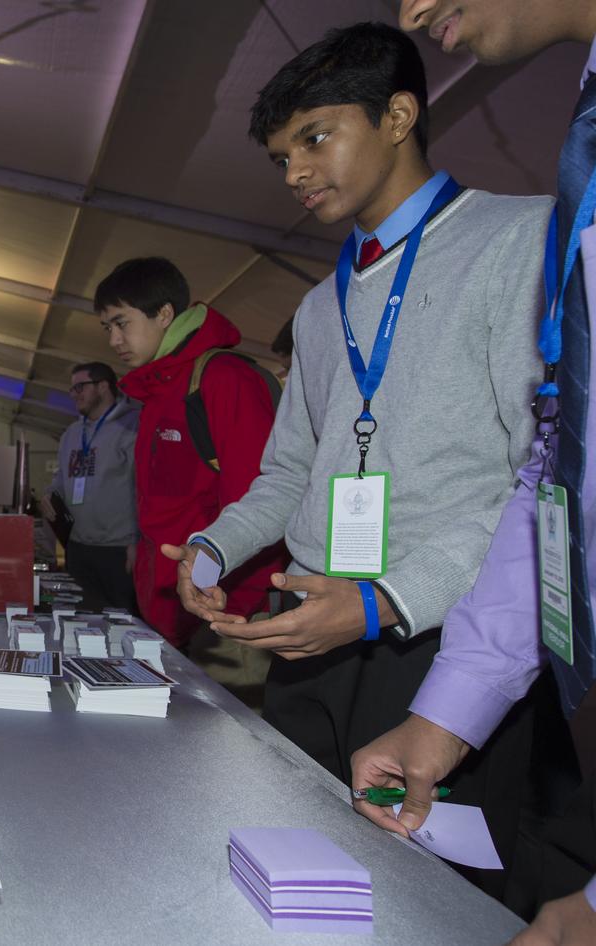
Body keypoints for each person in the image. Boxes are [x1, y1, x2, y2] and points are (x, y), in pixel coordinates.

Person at [166, 21, 561, 898]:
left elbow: (532, 479)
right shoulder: (317, 309)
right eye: (281, 157)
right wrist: (215, 547)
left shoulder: (518, 241)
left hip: (442, 646)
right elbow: (287, 474)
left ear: (398, 115)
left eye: (315, 137)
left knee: (429, 898)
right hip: (313, 638)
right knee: (294, 881)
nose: (298, 173)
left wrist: (389, 601)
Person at [350, 4, 596, 942]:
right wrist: (448, 715)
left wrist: (387, 604)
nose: (411, 10)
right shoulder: (583, 141)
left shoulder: (512, 232)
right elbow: (558, 468)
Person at [94, 257, 285, 648]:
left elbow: (262, 502)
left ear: (164, 314)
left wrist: (231, 614)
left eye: (121, 323)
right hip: (168, 613)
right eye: (107, 327)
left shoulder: (223, 380)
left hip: (220, 617)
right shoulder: (158, 392)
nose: (113, 340)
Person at [42, 362, 139, 611]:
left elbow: (144, 489)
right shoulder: (72, 434)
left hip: (117, 550)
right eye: (72, 389)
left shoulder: (131, 427)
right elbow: (61, 478)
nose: (74, 394)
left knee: (121, 623)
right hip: (78, 549)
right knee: (83, 624)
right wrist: (50, 495)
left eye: (80, 387)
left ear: (103, 386)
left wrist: (137, 542)